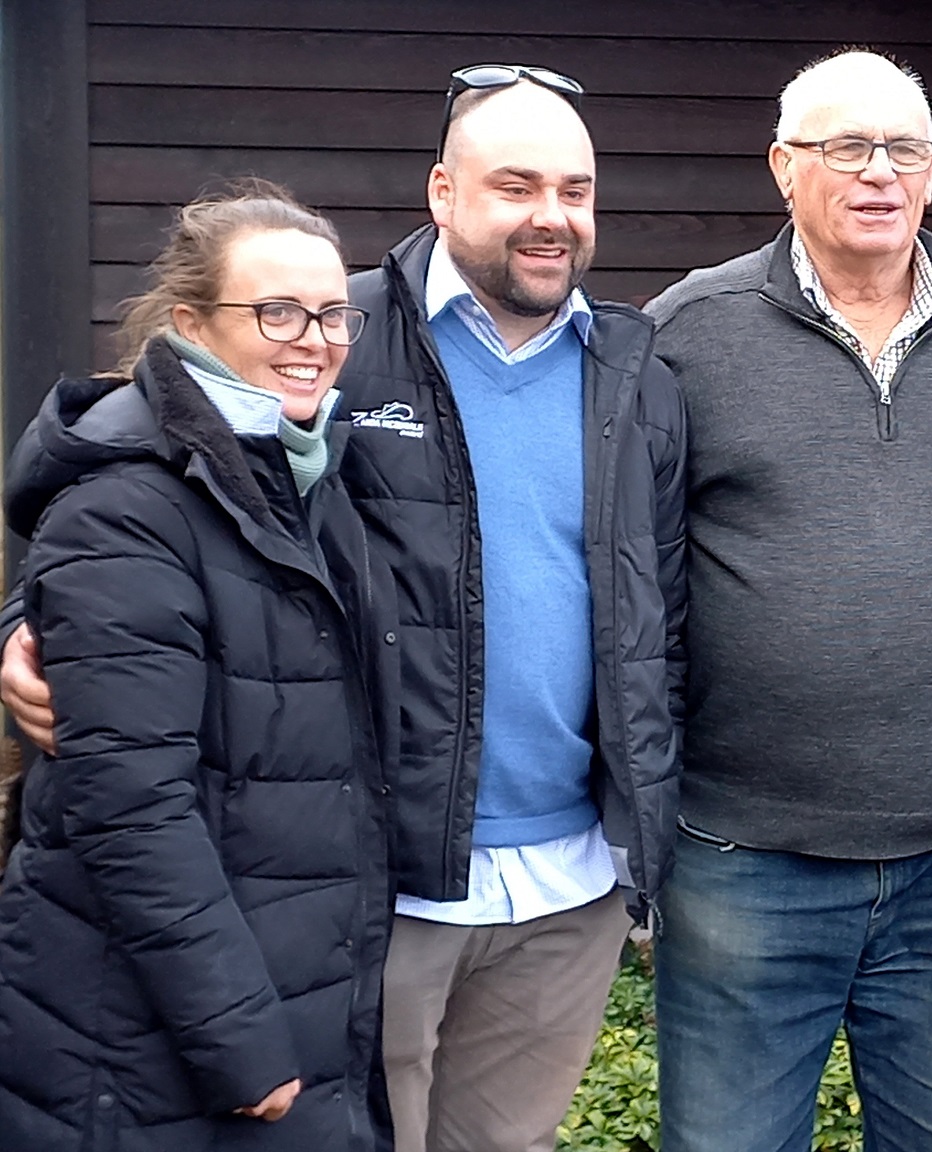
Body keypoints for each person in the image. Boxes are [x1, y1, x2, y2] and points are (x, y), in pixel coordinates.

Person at [1, 65, 687, 1152]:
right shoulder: (334, 336)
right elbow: (138, 475)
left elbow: (666, 601)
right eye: (515, 185)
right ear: (441, 192)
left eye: (575, 188)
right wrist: (23, 638)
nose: (550, 215)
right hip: (385, 884)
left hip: (567, 886)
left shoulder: (633, 366)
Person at [643, 50, 932, 1152]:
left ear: (931, 171)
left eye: (904, 149)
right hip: (741, 861)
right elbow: (629, 580)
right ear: (784, 167)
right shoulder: (688, 333)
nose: (878, 173)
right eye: (844, 148)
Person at [0, 185, 394, 1150]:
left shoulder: (296, 475)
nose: (314, 338)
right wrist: (240, 1041)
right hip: (147, 1033)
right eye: (276, 312)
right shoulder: (127, 509)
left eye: (333, 313)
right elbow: (129, 811)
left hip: (275, 990)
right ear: (188, 323)